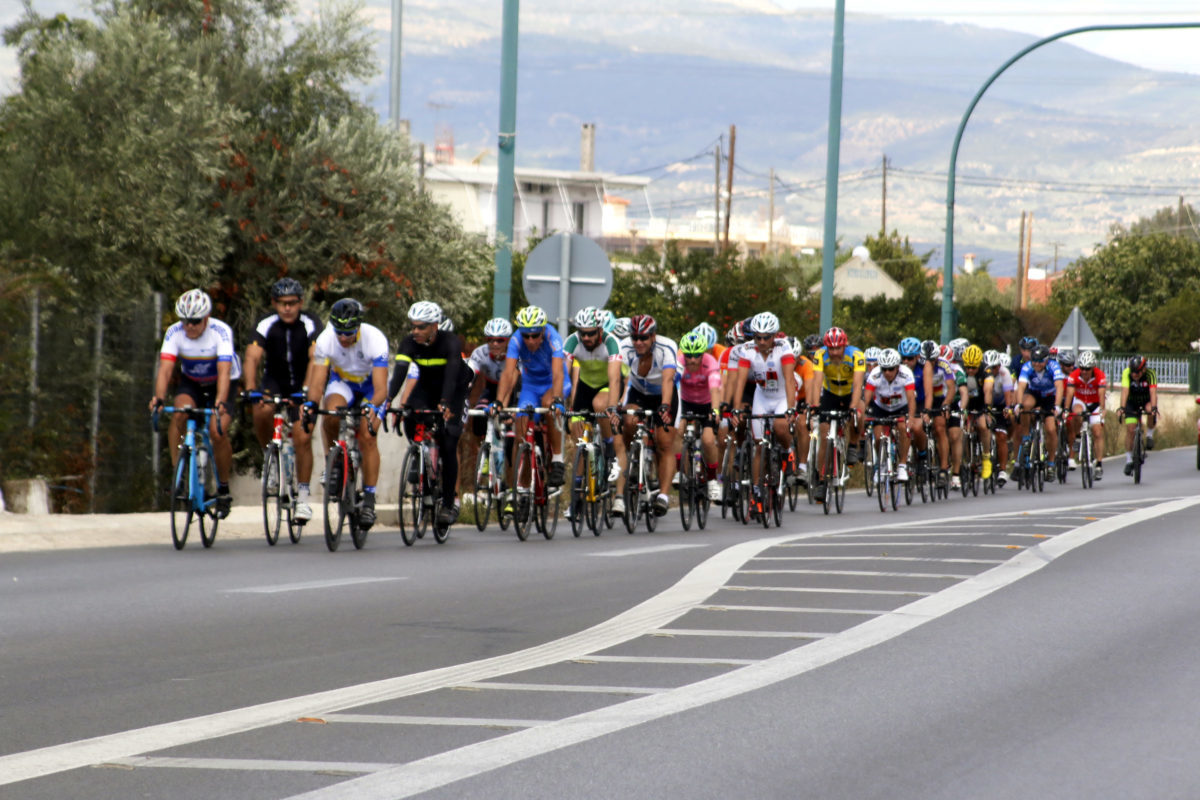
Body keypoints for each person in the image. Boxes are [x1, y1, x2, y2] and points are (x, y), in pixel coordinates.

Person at [150, 289, 240, 517]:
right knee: (179, 414)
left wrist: (219, 402)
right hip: (193, 383)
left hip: (223, 382)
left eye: (195, 321)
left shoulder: (220, 332)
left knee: (216, 432)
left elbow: (224, 370)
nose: (189, 326)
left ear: (206, 319)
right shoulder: (174, 332)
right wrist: (159, 398)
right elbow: (166, 370)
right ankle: (178, 475)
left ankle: (223, 487)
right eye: (185, 321)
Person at [304, 298, 389, 530]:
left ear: (358, 327)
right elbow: (318, 382)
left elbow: (382, 389)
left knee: (368, 435)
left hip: (371, 388)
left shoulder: (375, 339)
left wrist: (371, 408)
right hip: (343, 384)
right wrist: (311, 404)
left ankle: (369, 499)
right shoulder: (325, 340)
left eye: (348, 333)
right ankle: (335, 465)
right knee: (330, 413)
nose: (343, 338)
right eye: (339, 332)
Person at [242, 278, 322, 522]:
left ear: (300, 303)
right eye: (282, 304)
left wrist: (306, 391)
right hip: (274, 381)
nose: (287, 308)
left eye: (292, 303)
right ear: (274, 304)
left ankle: (304, 499)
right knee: (261, 410)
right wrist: (251, 388)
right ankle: (271, 456)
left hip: (302, 383)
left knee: (302, 437)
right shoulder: (266, 323)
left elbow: (315, 358)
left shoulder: (311, 323)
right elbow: (252, 357)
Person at [390, 300, 472, 527]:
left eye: (421, 327)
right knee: (410, 416)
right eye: (413, 326)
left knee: (448, 442)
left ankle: (447, 504)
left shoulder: (450, 342)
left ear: (434, 326)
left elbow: (452, 376)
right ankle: (421, 462)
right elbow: (399, 373)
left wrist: (445, 403)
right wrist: (389, 400)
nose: (415, 331)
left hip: (453, 390)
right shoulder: (409, 343)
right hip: (426, 389)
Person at [494, 305, 570, 500]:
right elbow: (509, 373)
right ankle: (523, 488)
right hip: (530, 386)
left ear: (543, 330)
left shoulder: (553, 338)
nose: (530, 340)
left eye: (535, 335)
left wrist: (558, 400)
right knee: (521, 436)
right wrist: (499, 402)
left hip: (553, 383)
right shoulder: (516, 340)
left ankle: (557, 458)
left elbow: (558, 373)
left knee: (548, 405)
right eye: (526, 335)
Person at [731, 311, 796, 516]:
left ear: (774, 336)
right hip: (762, 396)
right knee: (759, 445)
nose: (761, 341)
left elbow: (789, 381)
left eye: (766, 337)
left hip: (781, 396)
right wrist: (736, 408)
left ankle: (787, 452)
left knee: (779, 426)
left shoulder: (784, 348)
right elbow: (739, 382)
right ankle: (757, 493)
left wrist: (791, 409)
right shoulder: (747, 349)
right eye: (757, 337)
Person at [615, 314, 679, 517]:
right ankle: (632, 457)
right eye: (635, 337)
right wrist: (617, 403)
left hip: (662, 394)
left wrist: (665, 406)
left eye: (643, 338)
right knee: (629, 420)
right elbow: (620, 378)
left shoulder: (667, 346)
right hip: (638, 393)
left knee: (664, 443)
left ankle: (663, 496)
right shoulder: (624, 347)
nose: (638, 342)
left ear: (653, 336)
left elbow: (668, 380)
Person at [564, 306, 625, 492]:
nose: (586, 338)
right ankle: (577, 490)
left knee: (600, 405)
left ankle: (609, 447)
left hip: (607, 385)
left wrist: (612, 407)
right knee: (579, 437)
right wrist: (559, 399)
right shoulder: (572, 341)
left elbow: (615, 378)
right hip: (585, 387)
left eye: (590, 334)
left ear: (600, 330)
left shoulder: (611, 342)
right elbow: (563, 373)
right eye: (582, 333)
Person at [810, 326, 865, 502]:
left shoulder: (856, 355)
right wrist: (814, 406)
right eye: (830, 349)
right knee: (825, 435)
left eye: (837, 348)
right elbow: (817, 382)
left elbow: (858, 385)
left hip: (850, 394)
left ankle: (853, 446)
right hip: (830, 394)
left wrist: (853, 407)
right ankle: (821, 481)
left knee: (860, 412)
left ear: (845, 345)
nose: (834, 352)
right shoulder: (820, 355)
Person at [677, 330, 723, 501]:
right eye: (689, 355)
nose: (693, 359)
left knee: (708, 440)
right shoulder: (679, 362)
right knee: (677, 430)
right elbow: (673, 383)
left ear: (703, 353)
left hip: (707, 404)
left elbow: (715, 388)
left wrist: (716, 410)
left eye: (697, 355)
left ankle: (712, 481)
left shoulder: (711, 363)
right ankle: (680, 472)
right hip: (686, 402)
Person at [1013, 343, 1066, 481]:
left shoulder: (1054, 367)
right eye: (1034, 361)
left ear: (1046, 360)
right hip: (1034, 394)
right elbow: (1021, 386)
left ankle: (1050, 464)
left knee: (1051, 429)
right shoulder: (1027, 367)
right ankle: (1026, 438)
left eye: (1039, 361)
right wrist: (1018, 405)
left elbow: (1059, 387)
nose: (1036, 364)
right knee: (1025, 406)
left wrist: (1057, 406)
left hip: (1049, 397)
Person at [863, 347, 916, 483]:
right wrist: (862, 413)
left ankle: (902, 465)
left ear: (897, 367)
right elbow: (867, 398)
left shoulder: (906, 374)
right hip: (881, 407)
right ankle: (880, 465)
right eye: (884, 369)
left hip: (901, 407)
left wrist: (910, 417)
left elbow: (911, 398)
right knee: (878, 436)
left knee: (903, 428)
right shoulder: (874, 374)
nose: (887, 372)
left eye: (891, 369)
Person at [1064, 349, 1106, 479]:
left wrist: (1102, 410)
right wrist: (1066, 409)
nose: (1084, 371)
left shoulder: (1100, 375)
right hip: (1080, 401)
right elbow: (1070, 394)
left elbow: (1101, 394)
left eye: (1087, 369)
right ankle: (1077, 437)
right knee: (1076, 413)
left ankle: (1098, 464)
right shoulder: (1074, 375)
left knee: (1097, 431)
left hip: (1095, 403)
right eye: (1082, 368)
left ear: (1093, 367)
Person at [1119, 354, 1158, 475]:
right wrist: (1122, 408)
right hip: (1132, 401)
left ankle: (1149, 435)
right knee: (1130, 430)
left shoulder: (1150, 374)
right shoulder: (1126, 373)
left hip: (1146, 399)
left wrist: (1154, 408)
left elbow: (1153, 392)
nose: (1134, 374)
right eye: (1133, 372)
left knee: (1150, 409)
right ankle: (1129, 459)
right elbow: (1125, 391)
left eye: (1137, 372)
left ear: (1143, 369)